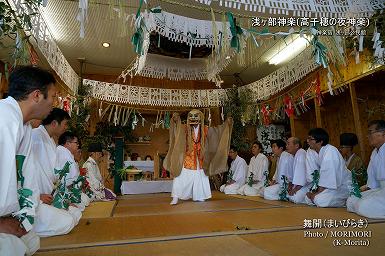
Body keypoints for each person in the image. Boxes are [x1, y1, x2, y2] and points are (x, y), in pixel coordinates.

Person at [0, 66, 56, 255]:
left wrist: (22, 214)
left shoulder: (23, 126)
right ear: (37, 96)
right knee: (14, 249)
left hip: (10, 212)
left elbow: (26, 175)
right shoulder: (5, 119)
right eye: (53, 97)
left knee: (31, 242)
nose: (53, 104)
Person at [164, 109, 232, 205]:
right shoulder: (185, 128)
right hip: (188, 158)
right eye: (191, 116)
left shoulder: (205, 129)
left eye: (196, 116)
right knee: (180, 177)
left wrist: (226, 125)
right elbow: (177, 129)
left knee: (200, 177)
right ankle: (175, 197)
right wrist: (176, 120)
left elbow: (217, 133)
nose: (193, 118)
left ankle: (200, 196)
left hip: (200, 159)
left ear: (200, 118)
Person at [30, 108, 80, 237]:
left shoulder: (50, 140)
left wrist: (62, 199)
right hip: (36, 198)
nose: (66, 128)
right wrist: (37, 196)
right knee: (69, 220)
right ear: (54, 124)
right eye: (65, 124)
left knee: (75, 213)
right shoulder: (35, 136)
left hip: (50, 195)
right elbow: (29, 171)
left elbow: (53, 174)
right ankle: (28, 229)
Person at [347, 120, 385, 218]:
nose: (367, 136)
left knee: (364, 205)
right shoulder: (374, 153)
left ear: (383, 133)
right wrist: (366, 189)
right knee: (352, 200)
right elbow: (373, 183)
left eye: (370, 132)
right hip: (380, 189)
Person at [305, 128, 351, 207]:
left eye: (310, 139)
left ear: (320, 141)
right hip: (327, 186)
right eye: (308, 138)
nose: (307, 141)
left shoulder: (330, 151)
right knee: (307, 198)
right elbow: (313, 173)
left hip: (342, 185)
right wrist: (314, 190)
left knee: (320, 200)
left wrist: (317, 193)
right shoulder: (311, 151)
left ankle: (346, 198)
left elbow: (328, 176)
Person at [55, 132, 90, 211]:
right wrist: (66, 201)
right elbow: (65, 182)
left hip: (67, 193)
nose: (78, 145)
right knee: (77, 210)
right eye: (76, 143)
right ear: (67, 143)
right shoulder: (63, 154)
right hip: (60, 195)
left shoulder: (65, 153)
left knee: (84, 202)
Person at [286, 137, 307, 204]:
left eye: (288, 144)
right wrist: (290, 185)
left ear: (297, 146)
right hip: (298, 185)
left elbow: (302, 177)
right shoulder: (294, 155)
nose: (286, 146)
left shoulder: (301, 154)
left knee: (294, 197)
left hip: (305, 185)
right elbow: (293, 175)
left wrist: (295, 189)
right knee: (287, 195)